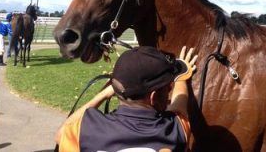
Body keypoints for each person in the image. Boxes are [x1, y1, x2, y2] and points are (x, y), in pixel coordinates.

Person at [56, 46, 198, 152]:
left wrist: (104, 93)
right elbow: (179, 106)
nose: (169, 90)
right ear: (153, 97)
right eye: (168, 87)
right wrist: (181, 76)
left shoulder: (85, 129)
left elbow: (61, 134)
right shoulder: (175, 130)